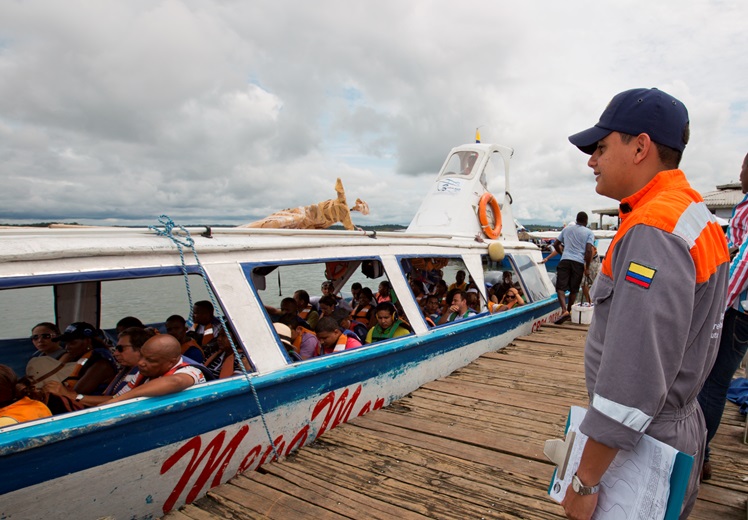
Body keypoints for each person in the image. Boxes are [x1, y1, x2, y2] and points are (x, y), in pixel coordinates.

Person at [563, 87, 729, 520]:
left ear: (640, 147)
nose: (591, 160)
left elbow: (632, 381)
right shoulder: (695, 215)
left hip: (642, 442)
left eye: (600, 146)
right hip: (678, 422)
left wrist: (584, 481)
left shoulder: (653, 230)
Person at [697, 151, 748, 481]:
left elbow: (744, 263)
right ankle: (699, 454)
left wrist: (713, 307)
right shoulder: (744, 203)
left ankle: (697, 455)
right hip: (737, 312)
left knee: (712, 385)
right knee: (711, 382)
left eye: (744, 166)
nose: (740, 171)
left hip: (735, 312)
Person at [44, 327, 154, 408]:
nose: (115, 353)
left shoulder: (145, 373)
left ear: (141, 349)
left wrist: (71, 395)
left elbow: (118, 400)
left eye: (121, 348)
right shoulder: (126, 369)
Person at [110, 335, 209, 403]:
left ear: (171, 362)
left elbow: (176, 381)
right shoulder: (144, 371)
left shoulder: (191, 371)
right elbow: (118, 396)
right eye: (141, 356)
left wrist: (118, 400)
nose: (140, 363)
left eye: (150, 360)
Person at [553, 212, 595, 324]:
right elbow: (589, 250)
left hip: (565, 260)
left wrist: (562, 254)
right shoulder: (589, 233)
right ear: (586, 221)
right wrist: (587, 268)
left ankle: (564, 310)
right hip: (578, 263)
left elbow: (556, 244)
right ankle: (569, 310)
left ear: (576, 220)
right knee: (574, 289)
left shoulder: (566, 229)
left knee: (560, 287)